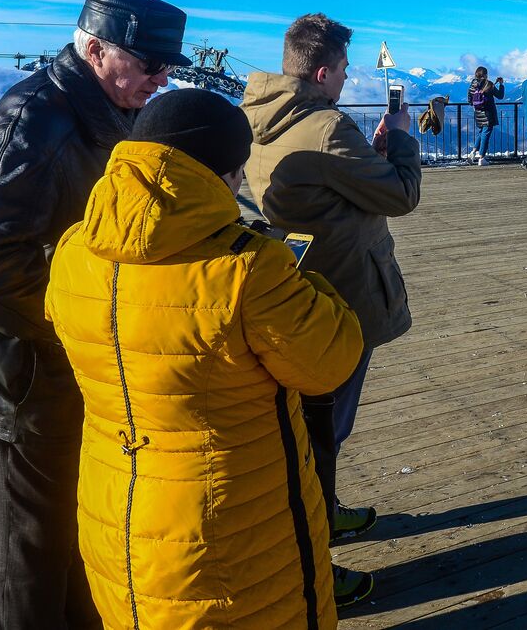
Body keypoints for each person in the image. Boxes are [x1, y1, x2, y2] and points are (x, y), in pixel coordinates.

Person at [45, 88, 364, 629]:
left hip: (115, 502)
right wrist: (303, 282)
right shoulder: (248, 267)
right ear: (222, 174)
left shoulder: (75, 247)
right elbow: (329, 361)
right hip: (227, 522)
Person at [0, 0, 189, 629]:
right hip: (24, 377)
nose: (161, 79)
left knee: (75, 530)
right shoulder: (36, 118)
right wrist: (69, 319)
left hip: (71, 368)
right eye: (151, 64)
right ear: (95, 50)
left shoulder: (104, 108)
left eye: (169, 67)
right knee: (29, 551)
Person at [240, 13, 422, 607]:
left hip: (298, 288)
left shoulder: (257, 116)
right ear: (323, 72)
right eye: (343, 69)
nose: (347, 79)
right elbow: (401, 195)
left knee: (312, 421)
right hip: (345, 294)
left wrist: (366, 160)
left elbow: (328, 188)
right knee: (324, 429)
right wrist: (401, 138)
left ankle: (326, 508)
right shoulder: (327, 127)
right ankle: (313, 556)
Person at [466, 66, 504, 164]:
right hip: (488, 113)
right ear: (486, 74)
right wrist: (501, 84)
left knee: (482, 133)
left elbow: (470, 101)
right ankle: (482, 158)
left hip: (478, 113)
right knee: (485, 135)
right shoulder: (489, 84)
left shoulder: (472, 86)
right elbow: (500, 96)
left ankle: (473, 152)